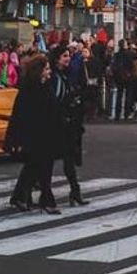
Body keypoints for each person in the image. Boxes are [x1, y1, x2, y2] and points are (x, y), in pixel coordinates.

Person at [6, 53, 62, 213]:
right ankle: (46, 200)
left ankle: (19, 196)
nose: (49, 72)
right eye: (47, 69)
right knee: (41, 167)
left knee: (34, 167)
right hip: (35, 134)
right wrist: (16, 137)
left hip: (46, 133)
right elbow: (20, 114)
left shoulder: (45, 85)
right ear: (39, 70)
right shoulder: (29, 88)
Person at [49, 45, 88, 205]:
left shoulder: (65, 75)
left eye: (68, 56)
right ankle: (30, 191)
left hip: (68, 123)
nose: (68, 59)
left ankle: (75, 190)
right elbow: (55, 100)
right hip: (58, 124)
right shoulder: (54, 77)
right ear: (57, 58)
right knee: (46, 161)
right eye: (65, 56)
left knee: (68, 159)